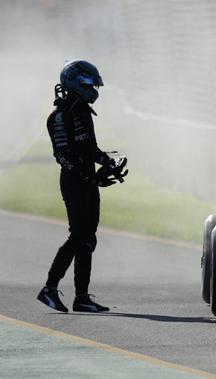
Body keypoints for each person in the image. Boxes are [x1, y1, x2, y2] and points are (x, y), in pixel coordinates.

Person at [37, 60, 127, 313]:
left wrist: (107, 162)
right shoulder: (58, 117)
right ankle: (49, 289)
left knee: (88, 239)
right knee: (77, 237)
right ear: (74, 83)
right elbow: (62, 156)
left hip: (87, 182)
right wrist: (89, 178)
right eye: (89, 83)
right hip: (74, 184)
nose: (94, 89)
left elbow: (90, 150)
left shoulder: (83, 112)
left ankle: (82, 297)